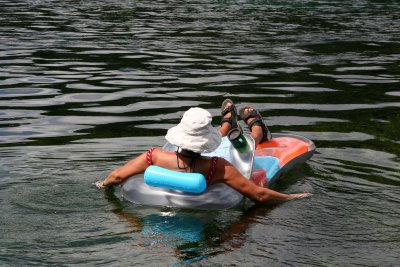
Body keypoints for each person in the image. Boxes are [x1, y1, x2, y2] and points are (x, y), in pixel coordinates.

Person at [95, 99, 311, 204]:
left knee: (228, 144)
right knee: (240, 147)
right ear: (206, 142)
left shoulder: (155, 156)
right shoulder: (218, 168)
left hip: (177, 172)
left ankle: (227, 124)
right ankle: (254, 130)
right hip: (209, 168)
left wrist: (102, 186)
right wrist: (293, 196)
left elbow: (117, 176)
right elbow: (258, 194)